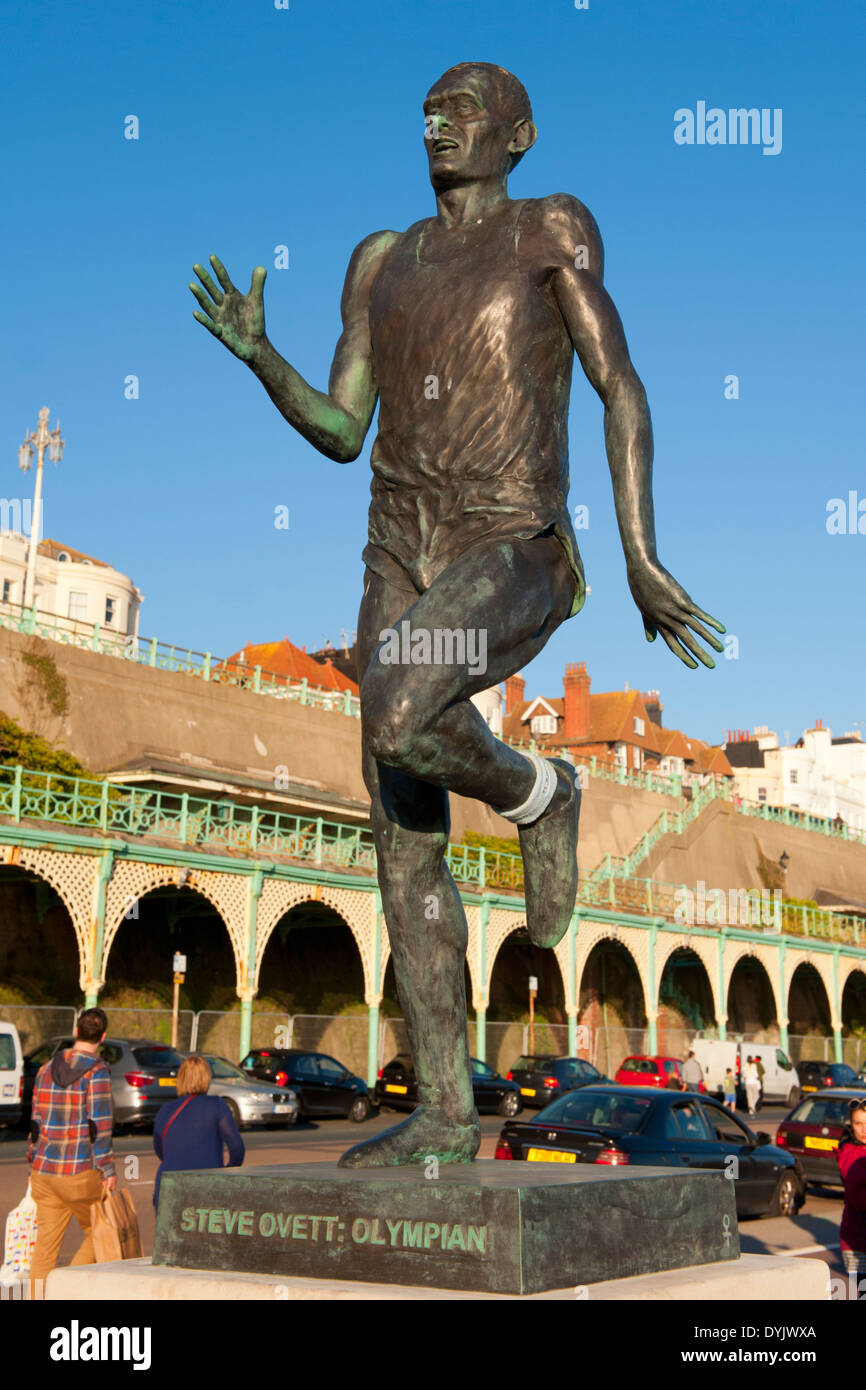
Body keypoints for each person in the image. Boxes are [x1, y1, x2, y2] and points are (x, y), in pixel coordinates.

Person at [191, 61, 724, 1167]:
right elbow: (344, 431)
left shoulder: (549, 226)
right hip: (398, 544)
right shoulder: (379, 262)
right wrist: (259, 358)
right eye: (429, 111)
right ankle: (440, 1111)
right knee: (400, 841)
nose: (441, 124)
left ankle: (541, 787)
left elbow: (617, 381)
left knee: (393, 703)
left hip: (512, 542)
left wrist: (638, 552)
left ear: (518, 135)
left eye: (466, 110)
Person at [27, 1007, 117, 1294]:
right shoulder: (97, 1072)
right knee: (104, 1229)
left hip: (44, 1171)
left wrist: (33, 1162)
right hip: (78, 1172)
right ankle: (67, 1287)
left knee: (44, 1249)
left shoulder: (45, 1069)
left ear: (77, 1032)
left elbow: (35, 1122)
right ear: (102, 1036)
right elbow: (99, 1126)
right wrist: (108, 1170)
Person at [153, 1054, 244, 1210]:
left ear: (180, 1078)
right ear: (206, 1078)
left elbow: (160, 1151)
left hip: (168, 1188)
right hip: (206, 1188)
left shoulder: (165, 1110)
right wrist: (227, 1169)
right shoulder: (217, 1105)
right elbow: (236, 1147)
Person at [837, 1098, 866, 1297]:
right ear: (851, 1126)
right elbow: (860, 1198)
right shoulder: (850, 1155)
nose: (864, 1129)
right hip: (858, 1243)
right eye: (858, 1124)